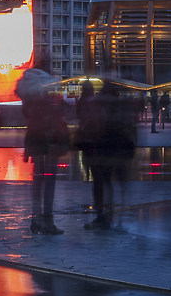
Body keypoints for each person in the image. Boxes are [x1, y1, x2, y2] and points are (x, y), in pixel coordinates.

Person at [76, 82, 136, 227]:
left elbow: (88, 122)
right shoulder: (117, 105)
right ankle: (109, 215)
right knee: (107, 181)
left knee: (99, 181)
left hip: (100, 146)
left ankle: (102, 215)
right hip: (111, 146)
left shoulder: (96, 104)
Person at [19, 72, 71, 234]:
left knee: (38, 179)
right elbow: (59, 113)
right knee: (49, 180)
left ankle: (36, 218)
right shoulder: (49, 96)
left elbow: (27, 114)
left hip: (36, 139)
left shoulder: (30, 98)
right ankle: (47, 220)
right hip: (49, 140)